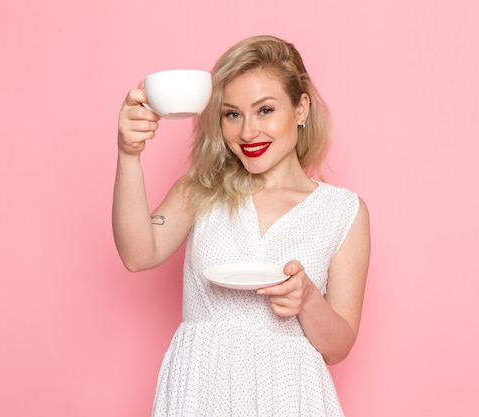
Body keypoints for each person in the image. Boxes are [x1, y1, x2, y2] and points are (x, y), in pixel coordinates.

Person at [113, 35, 371, 417]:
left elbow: (338, 347)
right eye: (232, 114)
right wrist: (128, 154)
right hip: (201, 391)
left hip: (289, 396)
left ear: (301, 109)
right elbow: (138, 254)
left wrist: (306, 300)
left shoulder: (342, 211)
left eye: (264, 110)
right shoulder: (199, 191)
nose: (247, 132)